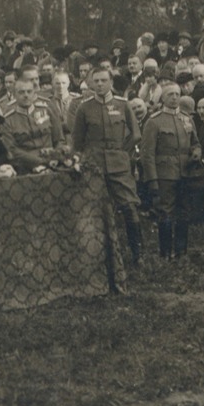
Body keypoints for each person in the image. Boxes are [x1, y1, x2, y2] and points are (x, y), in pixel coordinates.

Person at [71, 69, 145, 292]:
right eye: (96, 82)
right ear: (91, 84)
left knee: (130, 208)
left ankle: (137, 255)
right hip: (93, 167)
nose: (100, 85)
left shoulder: (123, 105)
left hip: (119, 166)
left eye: (104, 81)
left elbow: (136, 134)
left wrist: (122, 152)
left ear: (111, 82)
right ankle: (93, 257)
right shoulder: (84, 108)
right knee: (92, 212)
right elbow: (77, 141)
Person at [141, 82, 200, 261]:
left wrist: (196, 153)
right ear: (163, 98)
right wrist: (152, 180)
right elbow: (147, 154)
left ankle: (181, 252)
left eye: (177, 94)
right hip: (165, 174)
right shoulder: (154, 121)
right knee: (165, 213)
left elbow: (195, 143)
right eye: (170, 95)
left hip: (185, 172)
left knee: (184, 212)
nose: (174, 97)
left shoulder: (187, 119)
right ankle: (165, 253)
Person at [1, 75, 64, 172]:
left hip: (53, 162)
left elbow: (59, 139)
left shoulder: (47, 110)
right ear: (14, 94)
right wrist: (41, 162)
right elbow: (12, 150)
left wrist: (56, 156)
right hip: (26, 167)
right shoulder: (8, 119)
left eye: (29, 91)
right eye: (21, 92)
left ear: (34, 93)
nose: (26, 95)